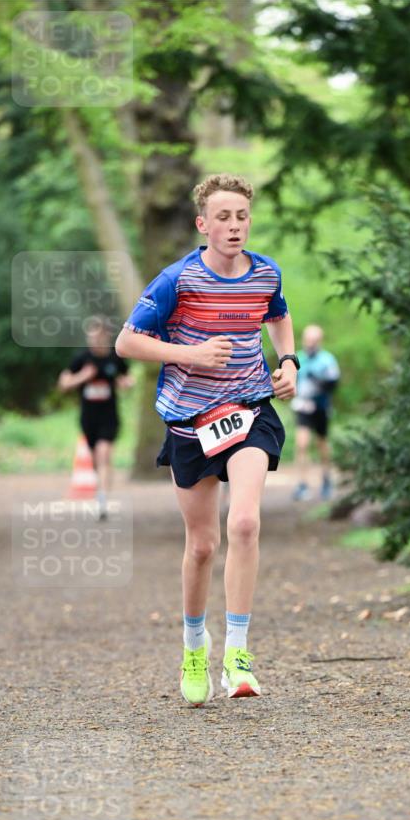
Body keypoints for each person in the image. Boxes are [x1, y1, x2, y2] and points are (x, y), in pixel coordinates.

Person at [115, 173, 298, 707]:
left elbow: (279, 317)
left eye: (241, 216)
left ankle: (237, 656)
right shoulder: (177, 280)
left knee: (244, 522)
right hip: (189, 422)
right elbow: (128, 342)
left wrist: (287, 362)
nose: (234, 226)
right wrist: (190, 356)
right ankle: (195, 645)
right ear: (203, 224)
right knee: (202, 545)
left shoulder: (265, 272)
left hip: (249, 409)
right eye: (223, 217)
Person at [58, 316, 134, 518]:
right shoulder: (81, 359)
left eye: (100, 334)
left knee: (104, 453)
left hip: (109, 416)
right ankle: (100, 488)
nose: (96, 339)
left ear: (107, 336)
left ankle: (102, 500)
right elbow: (63, 383)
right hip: (88, 417)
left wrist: (126, 383)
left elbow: (128, 377)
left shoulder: (114, 358)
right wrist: (82, 377)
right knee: (94, 459)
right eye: (93, 334)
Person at [291, 324, 340, 501]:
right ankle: (302, 484)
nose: (310, 343)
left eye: (314, 340)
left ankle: (326, 478)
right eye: (308, 340)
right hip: (303, 407)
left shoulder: (327, 360)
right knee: (302, 444)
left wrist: (318, 381)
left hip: (321, 407)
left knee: (322, 444)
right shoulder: (298, 357)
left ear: (319, 341)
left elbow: (334, 384)